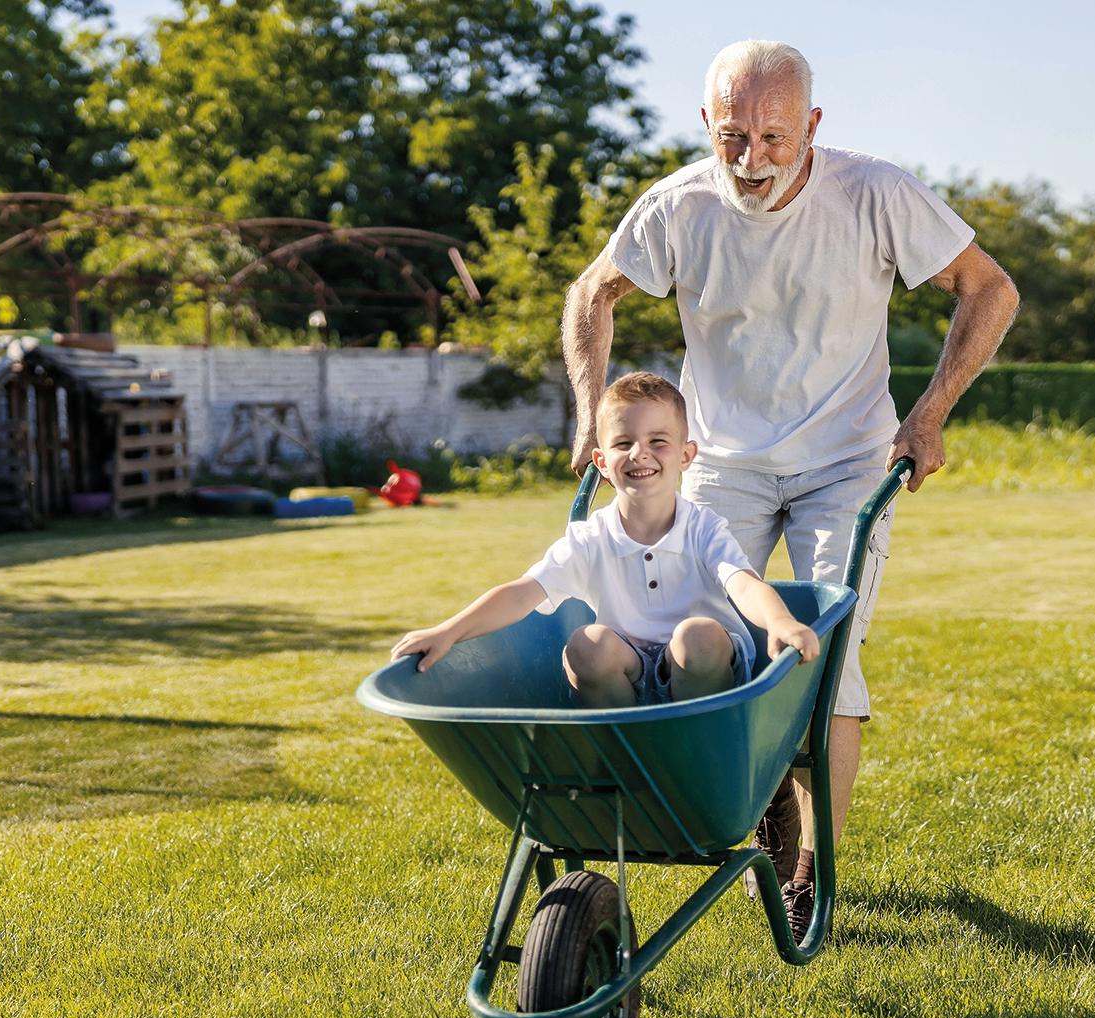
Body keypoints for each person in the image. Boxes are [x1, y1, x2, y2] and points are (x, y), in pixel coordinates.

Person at [559, 40, 1021, 938]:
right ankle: (761, 789)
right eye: (732, 137)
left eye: (774, 138)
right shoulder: (681, 205)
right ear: (706, 125)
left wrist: (926, 416)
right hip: (722, 461)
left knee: (822, 656)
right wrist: (588, 415)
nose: (752, 160)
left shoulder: (873, 192)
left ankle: (812, 870)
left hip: (845, 460)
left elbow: (988, 289)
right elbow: (594, 293)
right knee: (687, 636)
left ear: (812, 126)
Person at [390, 372, 822, 709]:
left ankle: (695, 747)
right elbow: (522, 593)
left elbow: (744, 584)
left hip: (704, 674)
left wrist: (781, 622)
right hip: (627, 673)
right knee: (585, 644)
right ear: (601, 460)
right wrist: (448, 631)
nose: (640, 453)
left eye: (658, 441)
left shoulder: (702, 528)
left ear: (687, 456)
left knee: (697, 636)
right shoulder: (590, 537)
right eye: (623, 443)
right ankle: (633, 751)